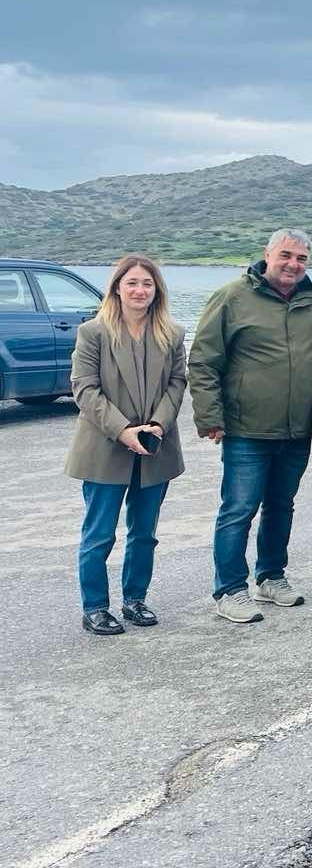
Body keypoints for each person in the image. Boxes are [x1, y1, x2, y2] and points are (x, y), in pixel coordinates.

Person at [191, 230, 312, 623]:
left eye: (301, 258)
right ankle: (229, 589)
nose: (293, 264)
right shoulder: (232, 297)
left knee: (281, 506)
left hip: (296, 428)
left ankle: (270, 576)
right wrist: (209, 416)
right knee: (239, 509)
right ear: (267, 254)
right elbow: (203, 360)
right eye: (286, 255)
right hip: (245, 429)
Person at [66, 255, 187, 635]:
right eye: (132, 282)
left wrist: (159, 424)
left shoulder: (172, 334)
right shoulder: (93, 333)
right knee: (99, 533)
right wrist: (122, 430)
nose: (139, 290)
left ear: (157, 290)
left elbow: (178, 383)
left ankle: (135, 599)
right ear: (117, 288)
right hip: (104, 448)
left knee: (144, 533)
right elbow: (84, 389)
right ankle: (95, 607)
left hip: (154, 446)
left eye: (147, 284)